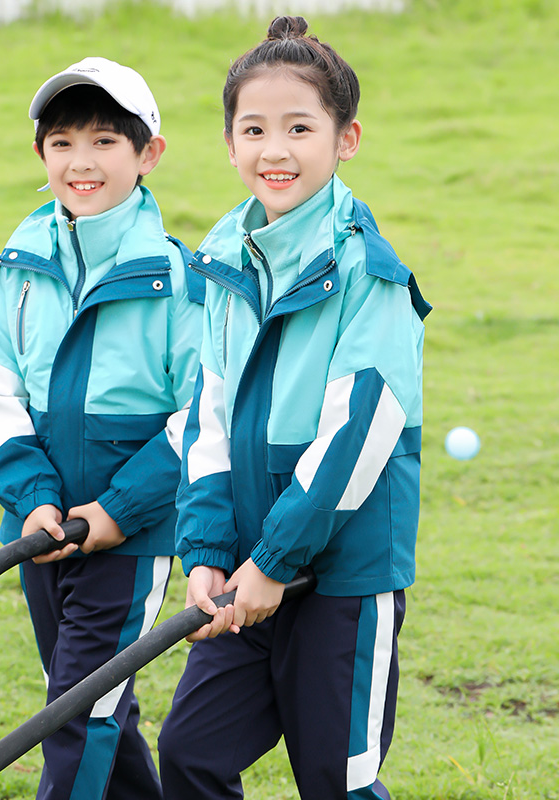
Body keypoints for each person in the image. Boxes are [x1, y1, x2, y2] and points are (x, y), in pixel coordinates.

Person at [158, 16, 430, 800]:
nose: (274, 150)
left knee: (335, 781)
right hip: (242, 564)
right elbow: (208, 416)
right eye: (254, 129)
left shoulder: (369, 275)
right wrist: (207, 548)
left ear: (345, 140)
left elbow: (359, 433)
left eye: (299, 128)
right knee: (191, 753)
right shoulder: (221, 261)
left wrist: (277, 562)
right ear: (230, 143)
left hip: (339, 575)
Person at [0, 57, 203, 800]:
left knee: (75, 712)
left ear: (148, 154)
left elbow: (204, 417)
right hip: (39, 530)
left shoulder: (180, 280)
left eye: (105, 140)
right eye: (63, 141)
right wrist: (34, 499)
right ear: (41, 154)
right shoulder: (21, 264)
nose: (82, 161)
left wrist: (116, 511)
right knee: (98, 705)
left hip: (129, 537)